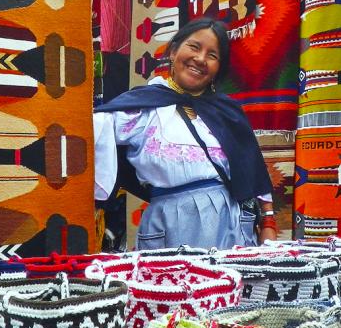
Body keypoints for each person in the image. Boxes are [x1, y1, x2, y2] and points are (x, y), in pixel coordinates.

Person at [94, 18, 276, 249]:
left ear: (218, 69)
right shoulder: (143, 106)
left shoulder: (227, 112)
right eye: (194, 47)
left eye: (212, 55)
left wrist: (268, 223)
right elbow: (95, 128)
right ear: (173, 51)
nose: (200, 59)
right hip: (169, 224)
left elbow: (253, 170)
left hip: (230, 224)